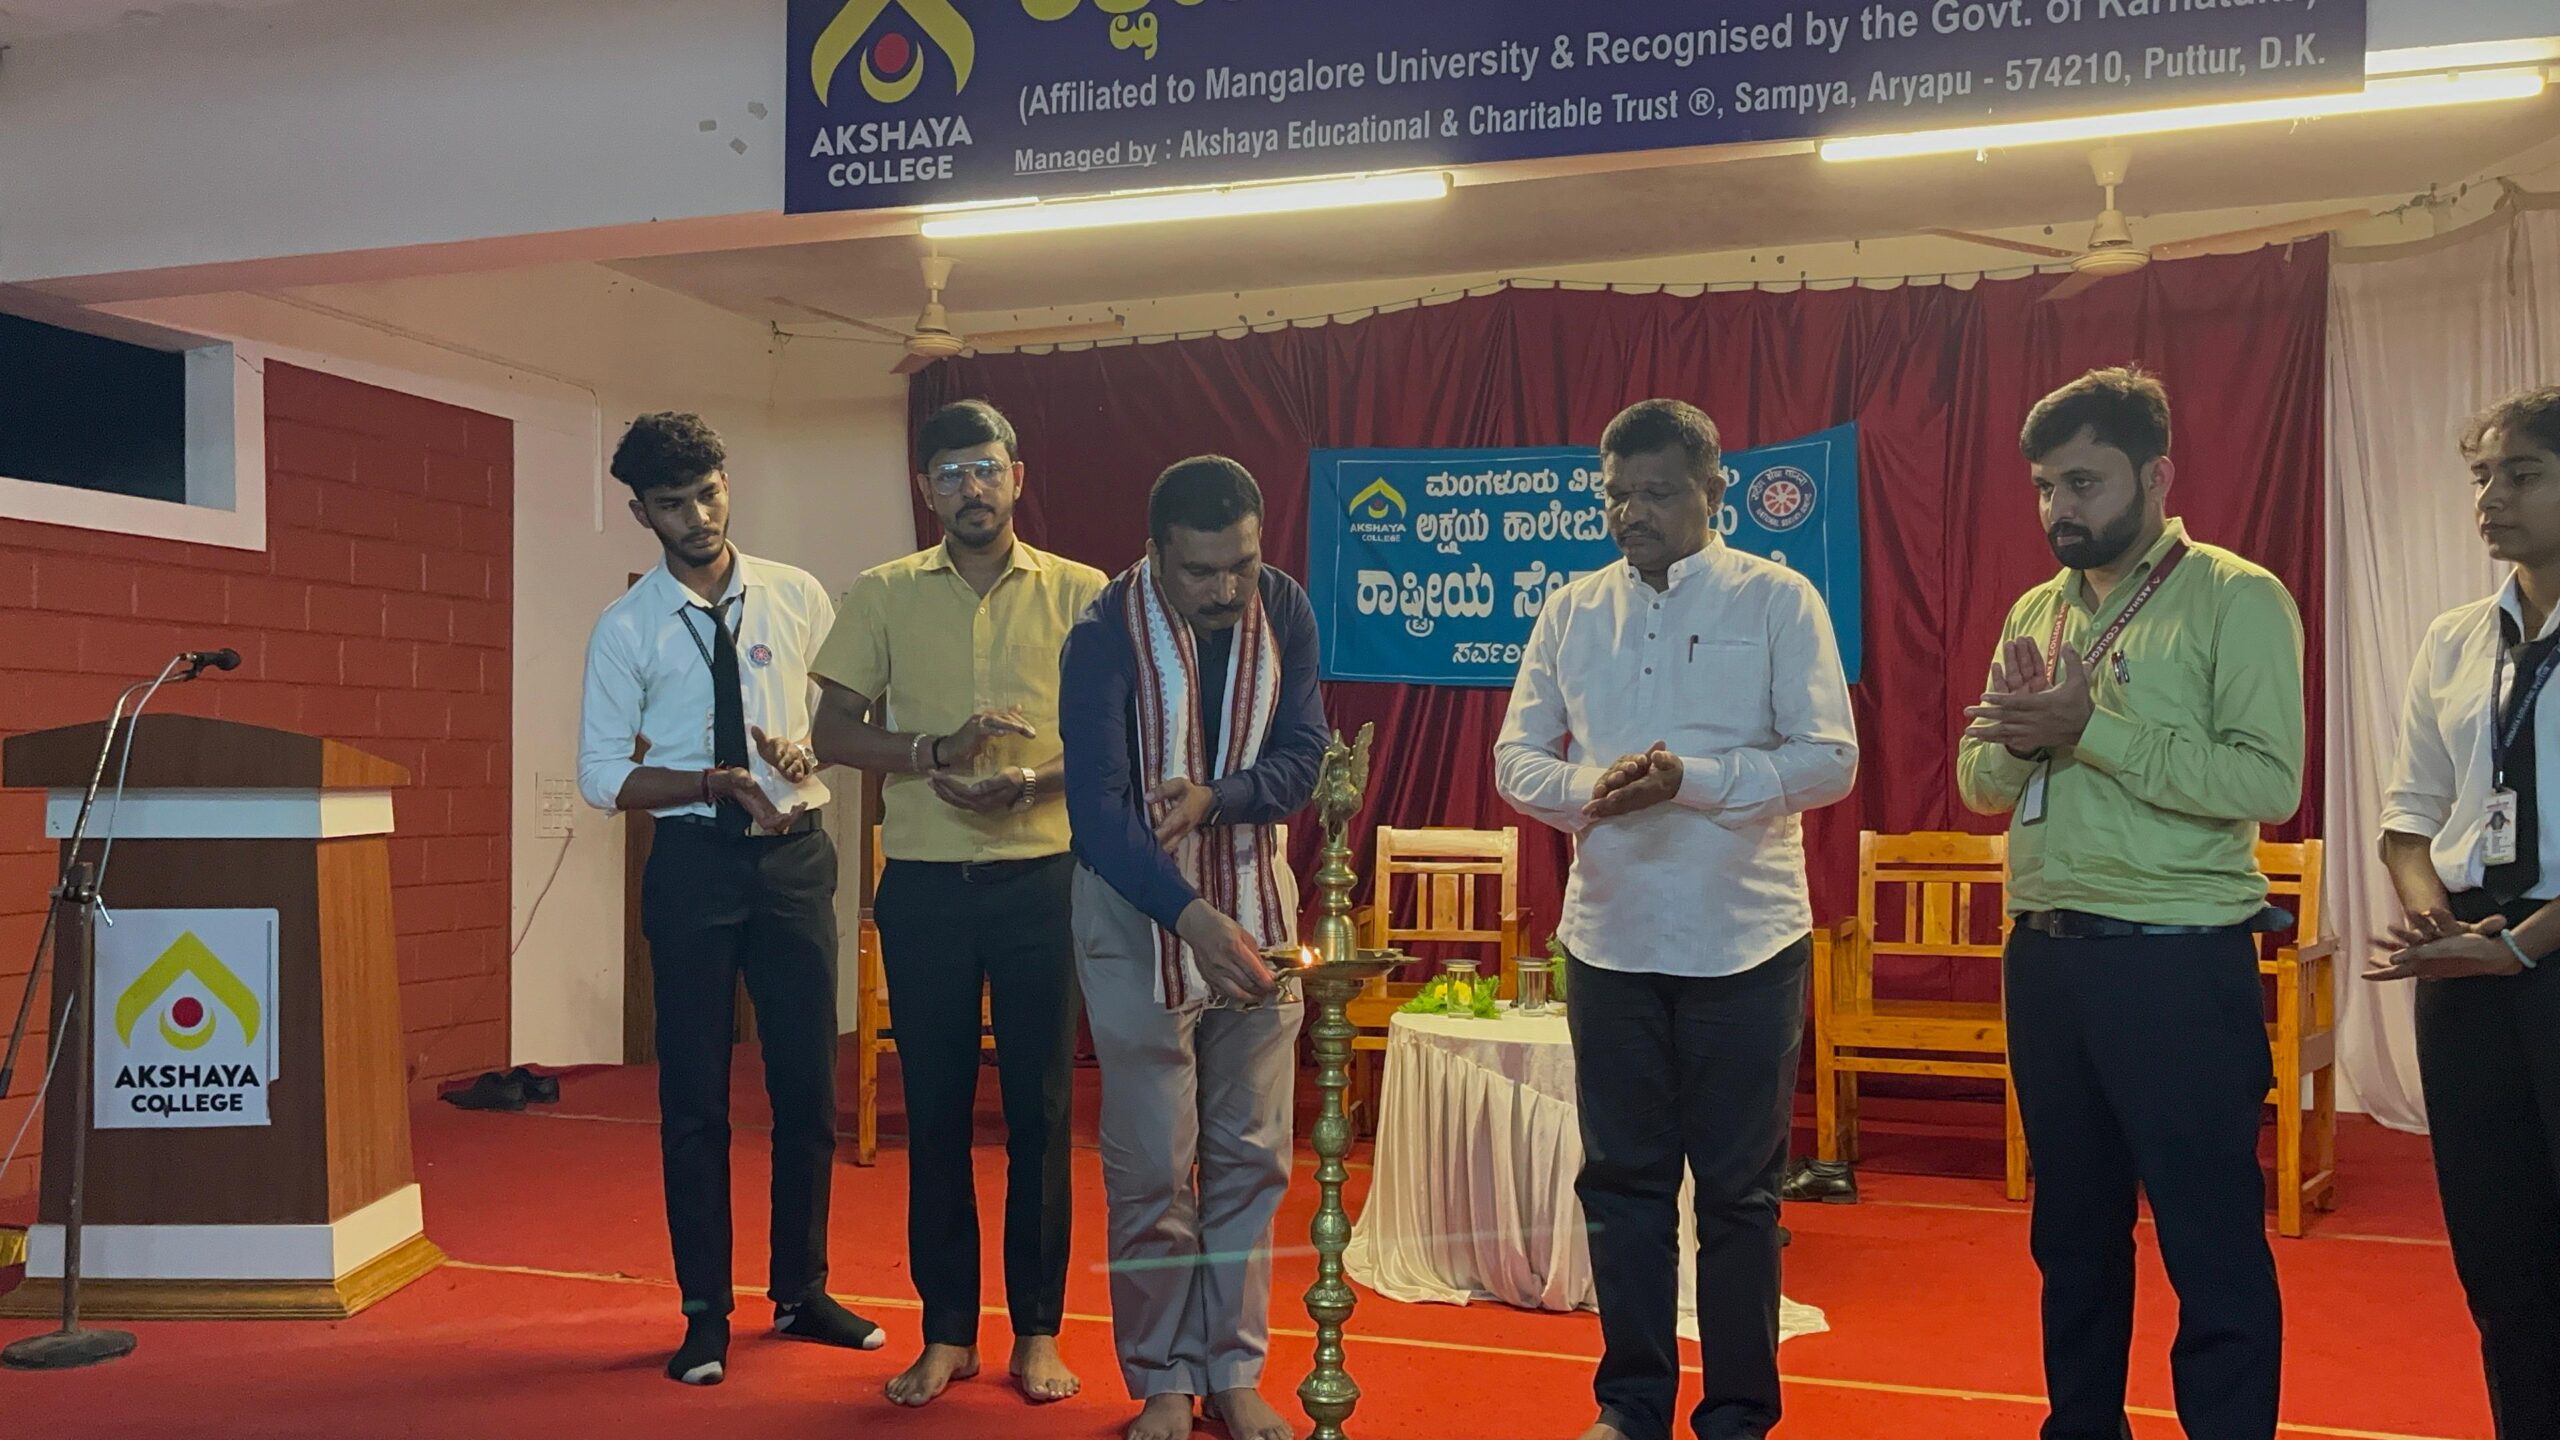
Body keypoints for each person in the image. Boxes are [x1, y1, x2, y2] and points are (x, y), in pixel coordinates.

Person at [1496, 398, 1858, 1440]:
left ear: (1714, 491)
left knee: (1739, 1196)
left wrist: (1692, 779)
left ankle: (1737, 1414)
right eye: (1616, 495)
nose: (1631, 514)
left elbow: (1830, 759)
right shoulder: (1572, 609)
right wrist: (1591, 791)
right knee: (1622, 1188)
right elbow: (1516, 758)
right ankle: (1631, 1406)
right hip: (1609, 937)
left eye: (1656, 493)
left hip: (1743, 939)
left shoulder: (1778, 598)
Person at [1957, 366, 2303, 1440]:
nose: (2058, 508)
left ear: (2155, 476)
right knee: (2070, 1235)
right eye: (2043, 486)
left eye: (2084, 483)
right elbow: (1978, 786)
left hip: (2175, 959)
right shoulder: (2036, 609)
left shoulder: (2235, 596)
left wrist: (2087, 730)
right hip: (2047, 956)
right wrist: (2023, 739)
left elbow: (2267, 783)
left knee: (2208, 1238)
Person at [796, 399, 1103, 1407]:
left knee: (1041, 1114)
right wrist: (931, 754)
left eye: (987, 467)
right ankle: (947, 1335)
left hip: (1043, 879)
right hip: (925, 884)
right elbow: (833, 732)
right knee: (931, 1114)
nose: (971, 487)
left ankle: (1038, 1332)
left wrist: (1031, 785)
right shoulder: (883, 593)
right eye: (950, 473)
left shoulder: (1081, 593)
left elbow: (1118, 737)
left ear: (1017, 477)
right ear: (926, 490)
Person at [574, 412, 885, 1386]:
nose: (699, 517)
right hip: (693, 866)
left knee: (806, 1088)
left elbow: (845, 720)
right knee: (695, 1101)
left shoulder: (797, 595)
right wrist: (710, 782)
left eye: (709, 493)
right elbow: (600, 776)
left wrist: (810, 747)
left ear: (726, 484)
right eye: (673, 504)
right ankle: (704, 1314)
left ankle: (801, 1292)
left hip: (794, 862)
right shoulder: (626, 628)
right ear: (642, 514)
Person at [1059, 456, 1329, 1440]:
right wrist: (1191, 918)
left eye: (1240, 566)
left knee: (1251, 1157)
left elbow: (1302, 758)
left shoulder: (1285, 609)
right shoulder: (1102, 632)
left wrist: (1219, 800)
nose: (1225, 590)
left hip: (1256, 899)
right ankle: (1164, 1376)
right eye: (1200, 571)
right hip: (1137, 913)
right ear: (1153, 554)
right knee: (1151, 1168)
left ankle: (1232, 1370)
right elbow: (1098, 814)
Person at [2373, 386, 2560, 1439]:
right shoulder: (2454, 640)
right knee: (2500, 1257)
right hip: (2466, 962)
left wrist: (2523, 949)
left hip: (2544, 946)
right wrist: (2433, 921)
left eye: (2521, 474)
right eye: (2481, 476)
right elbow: (2409, 817)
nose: (2491, 498)